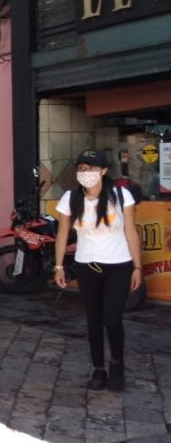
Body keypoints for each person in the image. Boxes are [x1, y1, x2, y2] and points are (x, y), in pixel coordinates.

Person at [55, 150, 142, 392]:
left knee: (112, 319)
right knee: (93, 320)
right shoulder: (71, 198)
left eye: (91, 168)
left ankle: (117, 364)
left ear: (103, 171)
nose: (86, 173)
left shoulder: (120, 196)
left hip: (119, 266)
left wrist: (137, 267)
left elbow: (131, 232)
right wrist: (59, 265)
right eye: (81, 169)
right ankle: (98, 369)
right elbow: (62, 233)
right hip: (86, 266)